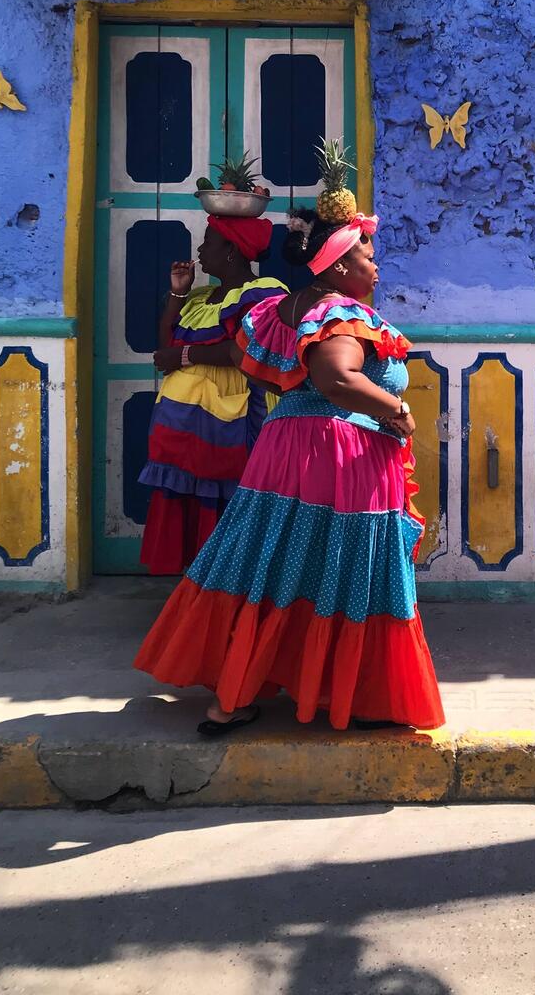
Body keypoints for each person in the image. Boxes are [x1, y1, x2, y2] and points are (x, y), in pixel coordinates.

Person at [134, 208, 444, 735]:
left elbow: (253, 364)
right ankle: (354, 693)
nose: (376, 268)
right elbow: (336, 378)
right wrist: (398, 411)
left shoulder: (280, 310)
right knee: (347, 565)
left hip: (283, 448)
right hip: (337, 454)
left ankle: (231, 698)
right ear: (340, 266)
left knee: (269, 560)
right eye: (368, 258)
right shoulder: (339, 313)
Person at [138, 215, 288, 576]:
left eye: (208, 242)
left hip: (234, 414)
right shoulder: (201, 298)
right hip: (184, 420)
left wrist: (185, 356)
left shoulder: (263, 293)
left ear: (232, 250)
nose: (201, 250)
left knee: (230, 488)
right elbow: (166, 346)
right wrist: (178, 293)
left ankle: (231, 583)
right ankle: (198, 585)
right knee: (190, 491)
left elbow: (245, 349)